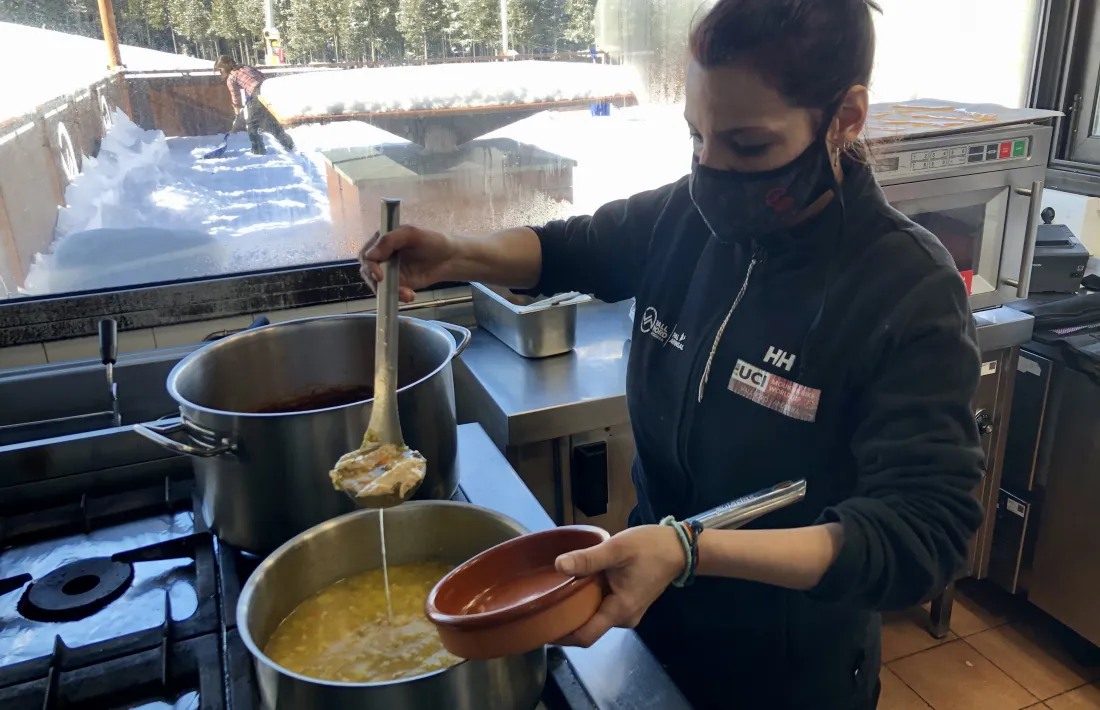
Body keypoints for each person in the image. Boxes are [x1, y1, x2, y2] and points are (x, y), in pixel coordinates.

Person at [360, 0, 983, 707]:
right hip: (654, 618)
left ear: (846, 118)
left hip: (786, 669)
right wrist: (458, 255)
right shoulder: (686, 216)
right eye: (696, 138)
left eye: (748, 148)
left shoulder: (903, 287)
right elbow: (577, 247)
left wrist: (692, 549)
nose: (711, 172)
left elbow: (925, 533)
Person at [214, 55, 295, 156]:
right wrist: (252, 94)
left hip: (257, 93)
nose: (220, 72)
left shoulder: (231, 77)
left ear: (225, 67)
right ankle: (289, 144)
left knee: (252, 124)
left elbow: (235, 95)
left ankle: (258, 150)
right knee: (270, 121)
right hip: (267, 90)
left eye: (220, 69)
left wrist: (236, 108)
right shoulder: (245, 67)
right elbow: (260, 77)